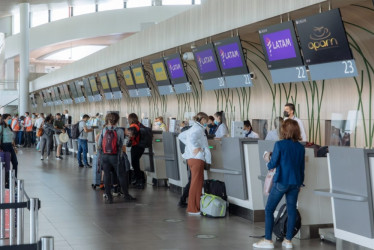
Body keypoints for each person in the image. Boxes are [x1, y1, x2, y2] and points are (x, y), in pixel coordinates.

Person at [253, 119, 305, 249]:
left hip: (281, 181)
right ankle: (288, 241)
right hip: (295, 183)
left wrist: (267, 158)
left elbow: (272, 164)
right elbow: (301, 168)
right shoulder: (300, 147)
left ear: (284, 130)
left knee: (269, 209)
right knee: (291, 210)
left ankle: (268, 240)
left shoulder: (279, 145)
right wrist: (300, 184)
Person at [98, 113, 136, 204]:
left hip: (105, 157)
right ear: (117, 120)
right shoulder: (119, 131)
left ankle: (109, 197)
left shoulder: (104, 130)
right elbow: (122, 144)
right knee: (121, 175)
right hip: (116, 156)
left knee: (107, 175)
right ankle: (126, 195)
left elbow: (99, 144)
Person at [178, 112, 211, 215]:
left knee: (197, 183)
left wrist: (190, 148)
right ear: (202, 120)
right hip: (197, 159)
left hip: (192, 159)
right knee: (195, 184)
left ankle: (196, 207)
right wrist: (198, 148)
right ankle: (193, 208)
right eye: (206, 120)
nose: (207, 122)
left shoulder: (193, 128)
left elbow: (181, 136)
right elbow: (192, 139)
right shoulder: (197, 129)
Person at [126, 113, 146, 189]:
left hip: (136, 146)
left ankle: (139, 180)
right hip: (141, 146)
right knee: (136, 163)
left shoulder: (133, 126)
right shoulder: (139, 124)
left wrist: (128, 136)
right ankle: (140, 179)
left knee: (135, 164)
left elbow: (131, 134)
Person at [0, 114, 19, 181]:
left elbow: (11, 137)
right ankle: (6, 180)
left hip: (10, 146)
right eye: (9, 118)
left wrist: (14, 146)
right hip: (4, 146)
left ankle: (14, 179)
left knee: (15, 162)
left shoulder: (9, 127)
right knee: (6, 164)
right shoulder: (1, 127)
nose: (10, 120)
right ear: (4, 119)